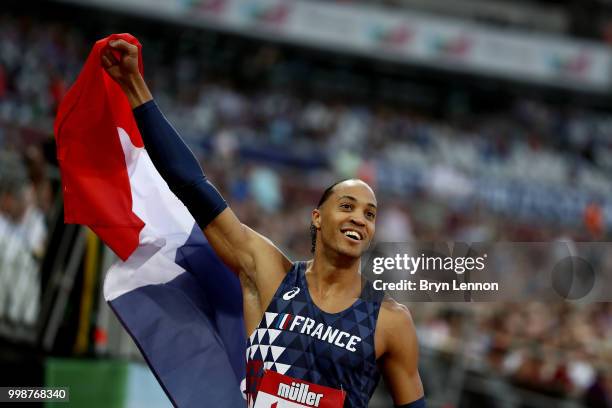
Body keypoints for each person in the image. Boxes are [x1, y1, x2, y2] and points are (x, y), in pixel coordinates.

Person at [102, 38, 425, 408]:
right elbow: (192, 186)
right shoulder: (270, 274)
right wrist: (133, 85)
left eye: (370, 214)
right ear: (317, 218)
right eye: (347, 205)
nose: (359, 218)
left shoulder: (391, 321)